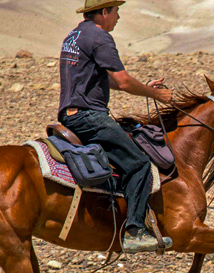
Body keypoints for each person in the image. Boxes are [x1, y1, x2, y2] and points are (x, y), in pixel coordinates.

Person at [58, 0, 173, 253]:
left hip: (69, 114)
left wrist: (145, 87)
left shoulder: (73, 36)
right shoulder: (100, 37)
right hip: (89, 117)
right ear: (105, 12)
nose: (119, 17)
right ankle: (134, 231)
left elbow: (103, 79)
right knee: (140, 164)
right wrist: (157, 96)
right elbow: (123, 80)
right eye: (117, 11)